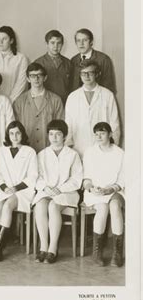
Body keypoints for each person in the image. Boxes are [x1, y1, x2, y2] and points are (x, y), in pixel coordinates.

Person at [32, 120, 83, 264]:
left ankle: (53, 248)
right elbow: (37, 176)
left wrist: (60, 189)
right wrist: (45, 187)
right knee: (40, 205)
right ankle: (43, 246)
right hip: (47, 190)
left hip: (67, 192)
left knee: (53, 206)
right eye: (51, 134)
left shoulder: (72, 155)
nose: (54, 138)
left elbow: (76, 179)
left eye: (58, 134)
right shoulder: (42, 154)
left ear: (65, 136)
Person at [0, 121, 38, 262]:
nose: (15, 136)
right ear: (8, 135)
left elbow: (33, 176)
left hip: (23, 190)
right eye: (11, 133)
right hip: (5, 189)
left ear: (22, 134)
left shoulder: (30, 152)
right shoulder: (0, 151)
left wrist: (16, 188)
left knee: (8, 205)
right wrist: (4, 188)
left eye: (17, 133)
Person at [82, 122, 124, 267]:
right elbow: (86, 178)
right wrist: (91, 188)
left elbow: (123, 179)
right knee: (102, 208)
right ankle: (97, 253)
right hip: (95, 192)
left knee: (114, 206)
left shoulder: (119, 153)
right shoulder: (90, 152)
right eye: (96, 134)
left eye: (103, 133)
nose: (99, 136)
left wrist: (110, 189)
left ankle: (117, 253)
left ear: (110, 134)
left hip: (115, 190)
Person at [65, 60, 120, 156]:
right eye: (83, 73)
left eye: (90, 73)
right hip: (79, 148)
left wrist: (112, 149)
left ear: (97, 74)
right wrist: (68, 148)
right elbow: (68, 124)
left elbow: (114, 124)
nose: (86, 76)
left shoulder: (107, 95)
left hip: (103, 149)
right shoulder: (72, 97)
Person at [13, 62, 64, 152]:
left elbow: (60, 127)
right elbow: (15, 129)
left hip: (49, 149)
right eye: (32, 76)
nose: (36, 79)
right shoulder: (19, 101)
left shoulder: (55, 100)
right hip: (26, 150)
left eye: (39, 75)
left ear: (45, 78)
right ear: (28, 79)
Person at [0, 26, 29, 103]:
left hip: (14, 102)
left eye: (4, 39)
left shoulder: (21, 58)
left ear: (11, 40)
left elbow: (21, 83)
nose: (0, 42)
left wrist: (9, 101)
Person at [69, 28, 116, 93]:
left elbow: (109, 87)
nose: (81, 44)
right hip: (79, 100)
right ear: (75, 43)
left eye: (85, 40)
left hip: (98, 99)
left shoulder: (104, 59)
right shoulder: (73, 60)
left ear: (91, 42)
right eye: (78, 40)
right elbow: (73, 86)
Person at [34, 30, 72, 104]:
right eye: (52, 43)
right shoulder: (38, 63)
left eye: (59, 43)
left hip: (64, 102)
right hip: (45, 103)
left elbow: (72, 86)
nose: (56, 46)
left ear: (62, 45)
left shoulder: (68, 63)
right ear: (46, 44)